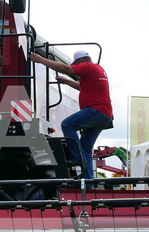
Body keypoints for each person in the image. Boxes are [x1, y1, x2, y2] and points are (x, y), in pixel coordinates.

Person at [30, 50, 114, 179]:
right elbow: (83, 87)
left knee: (67, 124)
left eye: (76, 65)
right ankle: (87, 183)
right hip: (104, 115)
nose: (76, 69)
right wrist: (67, 81)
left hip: (97, 111)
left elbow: (65, 68)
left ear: (81, 61)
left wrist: (41, 59)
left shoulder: (88, 67)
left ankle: (78, 159)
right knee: (86, 149)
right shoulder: (98, 69)